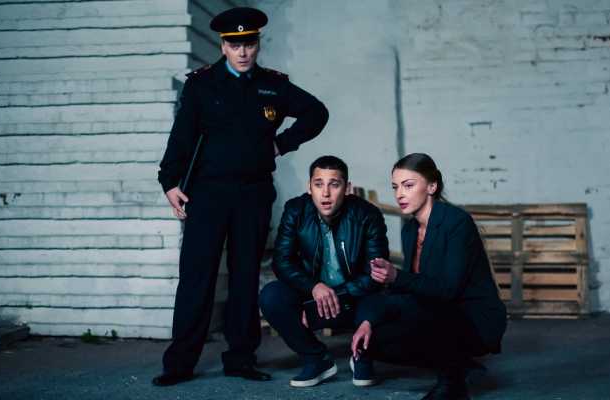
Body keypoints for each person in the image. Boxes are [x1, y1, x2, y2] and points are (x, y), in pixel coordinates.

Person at [152, 7, 329, 386]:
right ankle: (179, 363)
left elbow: (317, 113)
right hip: (207, 194)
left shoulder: (273, 85)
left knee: (245, 278)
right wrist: (169, 182)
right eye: (235, 45)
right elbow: (181, 137)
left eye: (249, 43)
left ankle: (241, 359)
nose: (243, 51)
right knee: (196, 277)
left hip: (253, 195)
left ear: (257, 44)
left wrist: (282, 144)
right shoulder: (202, 84)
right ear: (223, 46)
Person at [351, 153, 507, 400]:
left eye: (408, 185)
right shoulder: (410, 229)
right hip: (435, 312)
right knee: (373, 341)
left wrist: (396, 276)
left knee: (434, 306)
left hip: (473, 318)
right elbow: (409, 288)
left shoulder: (457, 222)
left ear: (432, 186)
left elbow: (449, 289)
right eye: (395, 187)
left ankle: (452, 386)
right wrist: (368, 320)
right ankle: (462, 365)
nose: (400, 194)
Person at [259, 156, 389, 388]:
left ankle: (362, 355)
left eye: (334, 184)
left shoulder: (367, 215)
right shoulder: (296, 210)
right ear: (309, 187)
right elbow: (282, 262)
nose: (326, 193)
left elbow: (375, 275)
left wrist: (334, 296)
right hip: (314, 296)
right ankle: (316, 359)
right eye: (319, 184)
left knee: (380, 299)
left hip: (354, 298)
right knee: (272, 296)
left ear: (347, 188)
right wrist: (313, 288)